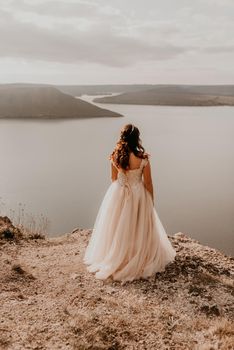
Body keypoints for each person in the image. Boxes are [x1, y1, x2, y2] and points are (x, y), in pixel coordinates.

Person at [83, 123, 176, 282]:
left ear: (122, 137)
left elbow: (113, 178)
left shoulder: (115, 156)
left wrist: (123, 182)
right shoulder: (143, 158)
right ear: (136, 138)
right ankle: (136, 256)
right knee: (137, 226)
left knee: (117, 226)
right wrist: (150, 200)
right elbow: (148, 183)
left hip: (118, 192)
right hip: (138, 194)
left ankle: (116, 256)